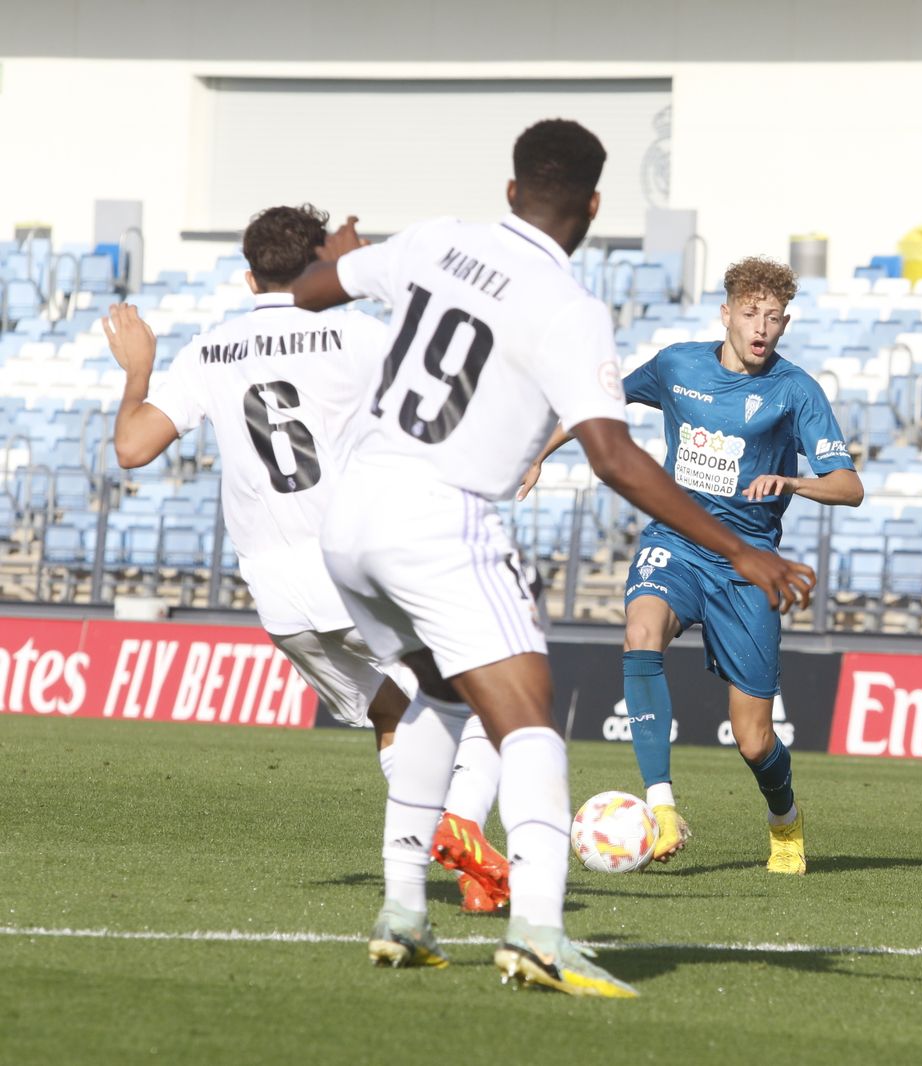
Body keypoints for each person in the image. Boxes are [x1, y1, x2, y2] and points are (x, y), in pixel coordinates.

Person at [289, 119, 814, 996]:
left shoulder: (433, 241)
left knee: (443, 694)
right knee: (529, 720)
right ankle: (537, 933)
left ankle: (402, 913)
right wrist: (740, 551)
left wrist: (345, 252)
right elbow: (615, 457)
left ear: (510, 188)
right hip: (441, 518)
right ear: (596, 206)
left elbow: (310, 290)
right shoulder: (567, 307)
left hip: (349, 514)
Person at [102, 206, 514, 915]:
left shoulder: (210, 348)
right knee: (488, 696)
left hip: (278, 595)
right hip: (354, 568)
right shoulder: (358, 335)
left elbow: (134, 447)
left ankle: (461, 866)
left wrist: (138, 370)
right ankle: (464, 828)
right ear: (318, 266)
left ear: (247, 274)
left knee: (391, 714)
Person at [521, 256, 863, 874]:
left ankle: (784, 818)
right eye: (751, 313)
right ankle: (662, 808)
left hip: (748, 567)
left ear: (785, 324)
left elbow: (849, 485)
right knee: (640, 631)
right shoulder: (678, 365)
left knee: (755, 739)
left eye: (774, 318)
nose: (762, 328)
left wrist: (792, 480)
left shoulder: (795, 390)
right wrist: (538, 456)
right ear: (726, 313)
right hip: (676, 542)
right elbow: (593, 405)